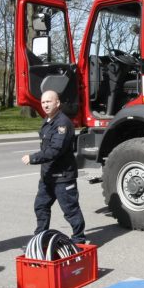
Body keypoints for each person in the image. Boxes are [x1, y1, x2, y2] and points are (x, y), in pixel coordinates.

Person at [21, 89, 86, 243]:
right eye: (43, 102)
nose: (45, 105)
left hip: (62, 176)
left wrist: (33, 158)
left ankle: (79, 239)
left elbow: (55, 150)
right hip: (48, 176)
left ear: (57, 103)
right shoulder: (47, 121)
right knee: (40, 206)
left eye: (49, 101)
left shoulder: (63, 123)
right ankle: (39, 238)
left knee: (70, 210)